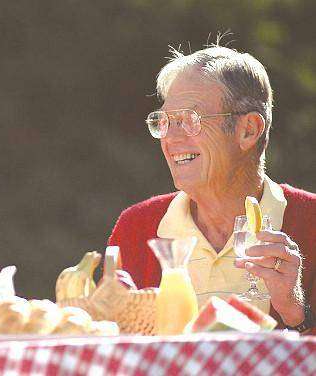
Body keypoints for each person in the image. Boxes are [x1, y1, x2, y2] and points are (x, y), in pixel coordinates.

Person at [108, 45, 315, 334]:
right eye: (165, 122)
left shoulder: (311, 222)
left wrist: (296, 312)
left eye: (190, 120)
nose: (171, 138)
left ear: (248, 130)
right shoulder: (135, 228)